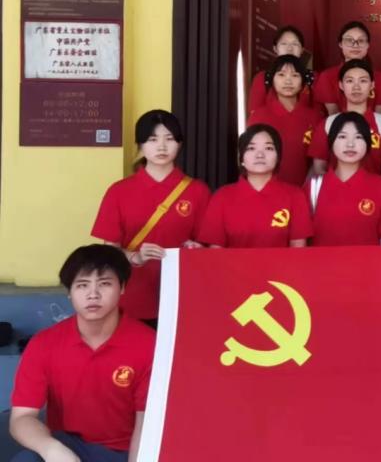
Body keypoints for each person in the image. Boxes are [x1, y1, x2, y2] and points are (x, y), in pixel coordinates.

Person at [9, 244, 155, 462]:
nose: (93, 294)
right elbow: (22, 417)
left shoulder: (149, 344)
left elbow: (146, 424)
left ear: (123, 287)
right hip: (68, 446)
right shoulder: (44, 343)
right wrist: (51, 449)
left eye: (104, 284)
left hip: (126, 450)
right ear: (69, 293)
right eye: (82, 285)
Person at [91, 110, 210, 325]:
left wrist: (197, 249)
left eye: (169, 139)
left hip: (183, 294)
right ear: (141, 145)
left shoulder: (198, 191)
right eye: (153, 139)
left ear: (179, 144)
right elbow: (109, 251)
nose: (161, 147)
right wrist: (135, 258)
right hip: (132, 297)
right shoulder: (119, 191)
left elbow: (210, 246)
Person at [198, 124, 312, 248]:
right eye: (251, 148)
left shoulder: (295, 196)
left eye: (268, 148)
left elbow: (298, 251)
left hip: (282, 262)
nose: (260, 155)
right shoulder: (222, 197)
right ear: (241, 158)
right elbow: (215, 252)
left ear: (278, 156)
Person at [308, 59, 381, 182]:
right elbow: (319, 167)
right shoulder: (327, 124)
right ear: (341, 85)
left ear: (372, 85)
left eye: (363, 81)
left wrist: (376, 188)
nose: (356, 87)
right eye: (350, 81)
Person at [306, 112, 381, 246]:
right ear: (331, 142)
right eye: (342, 137)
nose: (350, 144)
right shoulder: (313, 187)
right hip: (322, 260)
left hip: (368, 260)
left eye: (358, 137)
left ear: (368, 143)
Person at [247, 54, 321, 186]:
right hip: (267, 188)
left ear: (303, 81)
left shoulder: (315, 117)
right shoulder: (258, 116)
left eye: (295, 75)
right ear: (272, 80)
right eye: (281, 75)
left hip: (304, 190)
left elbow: (318, 162)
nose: (288, 81)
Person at [312, 21, 381, 115]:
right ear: (340, 44)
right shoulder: (327, 76)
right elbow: (333, 115)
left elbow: (380, 117)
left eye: (361, 41)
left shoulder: (380, 78)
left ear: (368, 45)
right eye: (349, 40)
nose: (355, 45)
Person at [247, 25, 314, 113]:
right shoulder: (262, 78)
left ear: (302, 50)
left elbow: (319, 113)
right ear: (275, 48)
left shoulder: (313, 77)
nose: (289, 48)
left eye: (295, 44)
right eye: (284, 43)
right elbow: (255, 113)